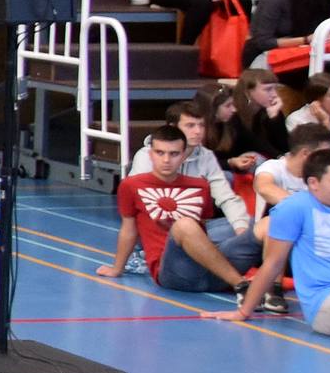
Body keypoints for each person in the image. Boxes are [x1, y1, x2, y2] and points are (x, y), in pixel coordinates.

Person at [99, 125, 272, 304]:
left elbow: (204, 228)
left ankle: (274, 290)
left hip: (212, 273)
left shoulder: (200, 185)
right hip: (174, 273)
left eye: (174, 154)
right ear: (150, 155)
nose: (166, 160)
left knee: (267, 223)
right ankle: (242, 286)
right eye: (160, 153)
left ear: (183, 156)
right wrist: (116, 269)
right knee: (185, 225)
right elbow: (129, 230)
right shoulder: (131, 185)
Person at [221, 150, 330, 338]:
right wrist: (244, 312)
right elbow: (273, 264)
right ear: (313, 183)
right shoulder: (294, 208)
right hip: (327, 299)